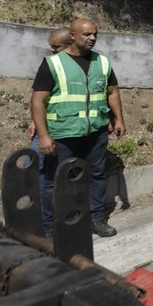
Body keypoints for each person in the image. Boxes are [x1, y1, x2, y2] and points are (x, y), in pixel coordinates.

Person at [31, 18, 126, 238]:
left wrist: (119, 119)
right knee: (52, 180)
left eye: (95, 34)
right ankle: (50, 227)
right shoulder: (53, 63)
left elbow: (112, 92)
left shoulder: (102, 62)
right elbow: (37, 101)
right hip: (63, 132)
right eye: (87, 34)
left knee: (96, 175)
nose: (92, 38)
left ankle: (96, 219)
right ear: (72, 36)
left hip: (96, 133)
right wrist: (44, 135)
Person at [27, 27, 73, 234]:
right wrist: (36, 122)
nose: (51, 50)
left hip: (63, 131)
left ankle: (51, 224)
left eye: (56, 47)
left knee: (51, 178)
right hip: (47, 131)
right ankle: (45, 223)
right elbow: (41, 99)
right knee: (36, 171)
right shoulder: (52, 65)